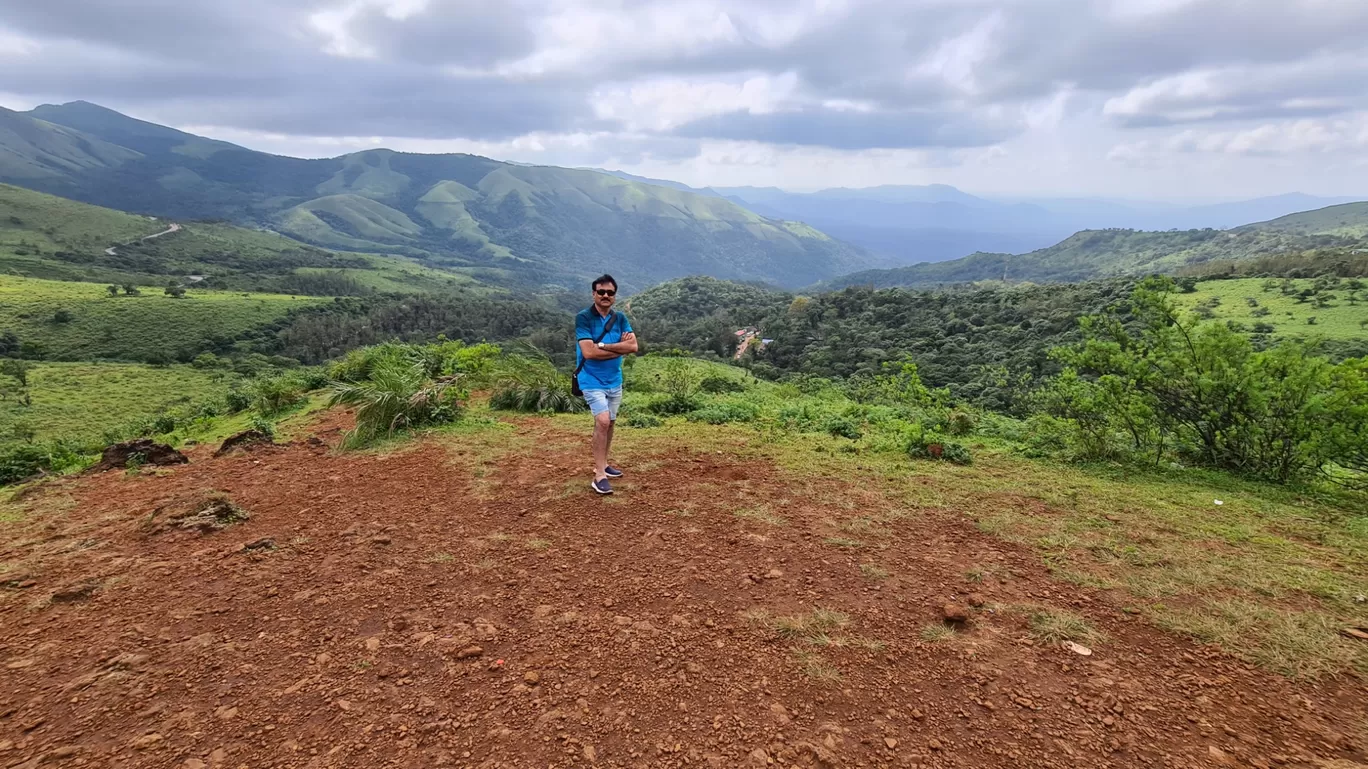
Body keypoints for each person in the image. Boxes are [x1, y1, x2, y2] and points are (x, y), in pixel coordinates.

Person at [575, 274, 638, 494]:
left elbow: (633, 347)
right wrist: (617, 346)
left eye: (610, 293)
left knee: (610, 422)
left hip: (614, 380)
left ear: (614, 296)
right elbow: (588, 352)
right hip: (591, 379)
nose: (605, 296)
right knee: (602, 421)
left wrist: (602, 345)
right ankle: (599, 475)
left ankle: (604, 464)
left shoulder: (620, 318)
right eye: (601, 292)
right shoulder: (583, 318)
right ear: (593, 294)